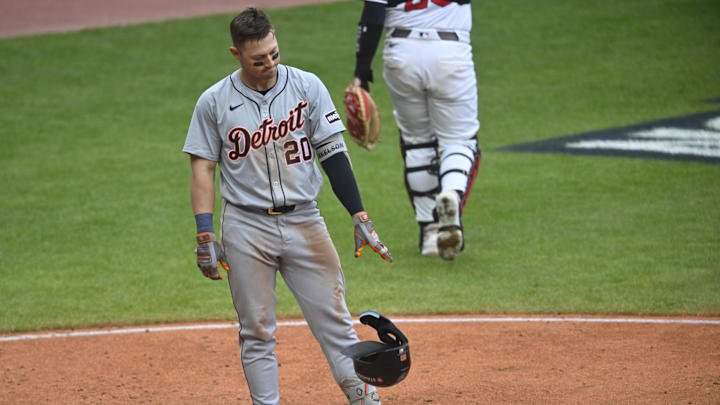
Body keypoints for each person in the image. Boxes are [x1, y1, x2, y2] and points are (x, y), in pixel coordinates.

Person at [182, 8, 391, 405]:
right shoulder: (214, 102)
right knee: (256, 331)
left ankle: (365, 399)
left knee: (336, 322)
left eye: (274, 54)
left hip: (305, 221)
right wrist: (205, 232)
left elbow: (333, 154)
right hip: (246, 228)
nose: (269, 65)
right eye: (258, 60)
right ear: (236, 54)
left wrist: (358, 213)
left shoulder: (307, 87)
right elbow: (203, 169)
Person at [351, 0, 481, 261]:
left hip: (402, 53)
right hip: (450, 49)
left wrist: (361, 73)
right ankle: (451, 194)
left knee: (416, 142)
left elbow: (373, 13)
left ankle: (430, 233)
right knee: (459, 140)